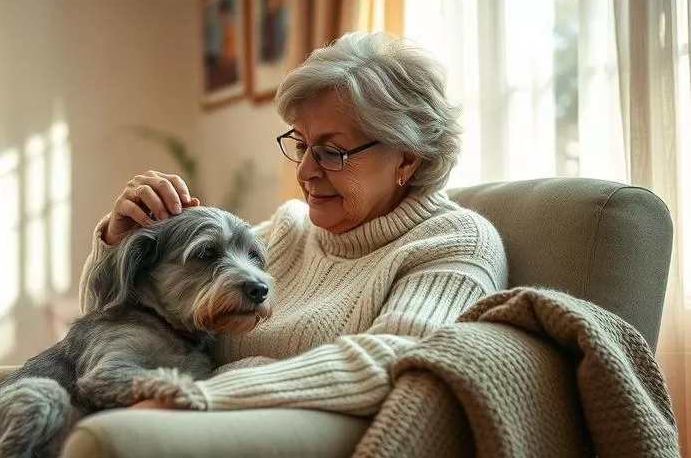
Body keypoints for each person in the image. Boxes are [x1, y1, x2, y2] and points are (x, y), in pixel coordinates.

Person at [79, 31, 508, 415]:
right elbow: (107, 331)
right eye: (301, 146)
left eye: (331, 152)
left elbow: (392, 361)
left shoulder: (455, 241)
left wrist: (193, 397)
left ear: (407, 159)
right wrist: (120, 240)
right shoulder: (285, 231)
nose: (304, 172)